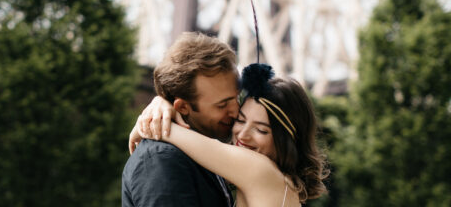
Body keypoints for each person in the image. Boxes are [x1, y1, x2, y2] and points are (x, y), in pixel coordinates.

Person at [130, 62, 329, 207]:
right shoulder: (280, 182)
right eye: (240, 120)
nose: (243, 135)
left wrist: (149, 120)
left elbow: (175, 134)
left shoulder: (261, 170)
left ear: (288, 140)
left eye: (261, 130)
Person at [121, 32, 241, 207]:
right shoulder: (161, 160)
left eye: (237, 98)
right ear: (183, 107)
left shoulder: (201, 150)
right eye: (222, 105)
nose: (236, 111)